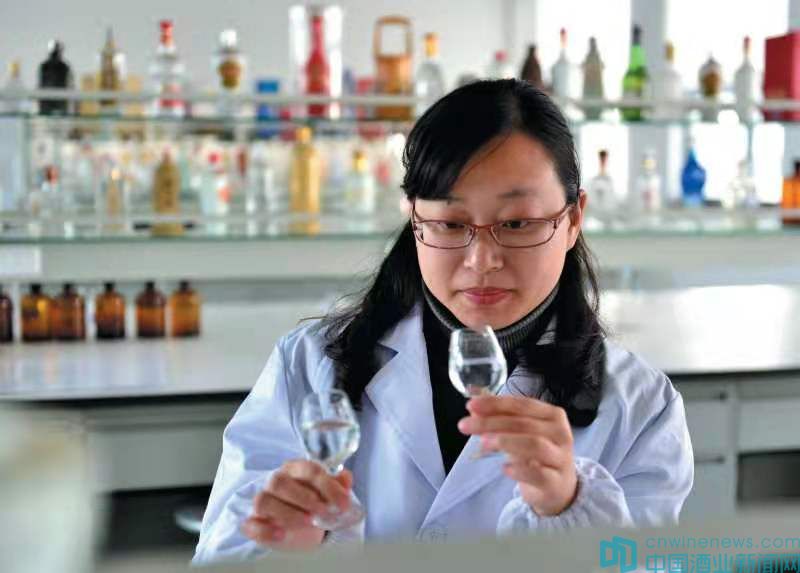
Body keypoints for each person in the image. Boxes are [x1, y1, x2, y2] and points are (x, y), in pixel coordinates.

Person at [192, 79, 694, 565]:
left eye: (517, 223)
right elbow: (221, 555)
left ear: (574, 220)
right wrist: (289, 550)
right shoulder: (308, 365)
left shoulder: (641, 407)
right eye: (451, 224)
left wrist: (569, 508)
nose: (482, 260)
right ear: (414, 219)